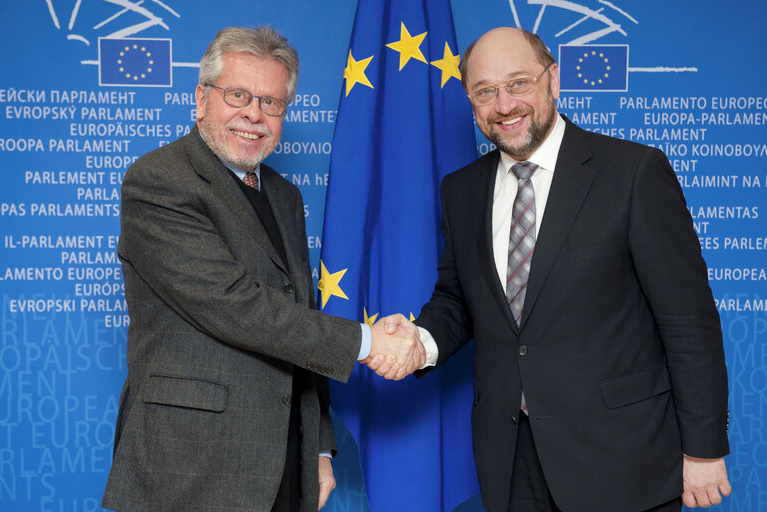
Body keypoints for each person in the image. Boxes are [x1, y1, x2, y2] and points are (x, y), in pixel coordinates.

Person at [375, 27, 730, 512]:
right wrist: (421, 342)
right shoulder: (461, 191)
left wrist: (704, 447)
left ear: (553, 80)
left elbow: (689, 322)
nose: (504, 104)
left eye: (519, 83)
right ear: (470, 101)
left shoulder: (632, 173)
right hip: (512, 461)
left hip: (623, 460)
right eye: (485, 91)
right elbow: (458, 298)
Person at [101, 26, 423, 512]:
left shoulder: (283, 196)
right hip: (190, 462)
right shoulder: (159, 181)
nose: (254, 114)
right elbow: (236, 307)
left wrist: (316, 446)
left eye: (271, 103)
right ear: (201, 98)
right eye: (237, 95)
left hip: (281, 461)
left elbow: (299, 315)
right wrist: (370, 342)